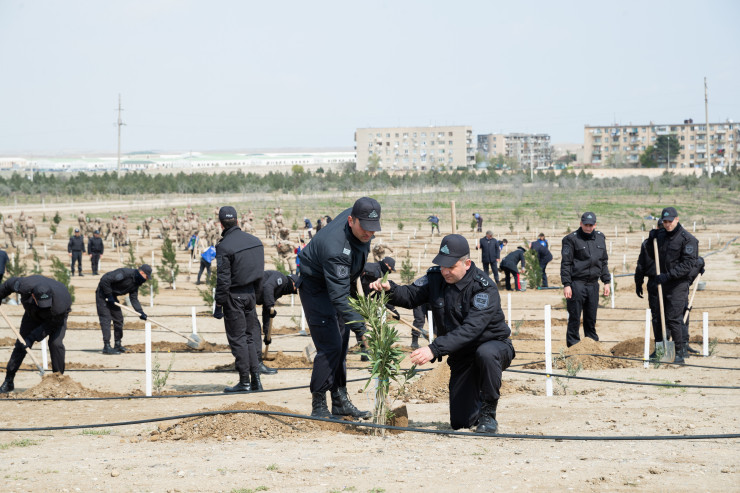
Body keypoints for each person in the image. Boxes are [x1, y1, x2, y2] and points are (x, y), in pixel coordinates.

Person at [370, 234, 515, 433]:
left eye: (451, 267)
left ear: (467, 263)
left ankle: (488, 414)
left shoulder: (484, 288)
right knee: (460, 422)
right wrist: (390, 289)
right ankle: (475, 408)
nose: (445, 271)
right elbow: (411, 295)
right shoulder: (435, 277)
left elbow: (471, 330)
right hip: (461, 355)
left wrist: (434, 349)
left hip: (494, 347)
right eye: (442, 265)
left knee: (486, 353)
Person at [297, 197, 380, 419]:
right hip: (316, 287)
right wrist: (362, 330)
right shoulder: (335, 249)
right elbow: (339, 298)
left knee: (342, 341)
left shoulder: (361, 221)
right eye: (365, 229)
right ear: (351, 220)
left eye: (373, 230)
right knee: (330, 345)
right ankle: (319, 403)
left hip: (338, 283)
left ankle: (340, 400)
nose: (369, 234)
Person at [213, 206, 265, 393]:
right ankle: (256, 380)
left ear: (221, 224)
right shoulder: (255, 242)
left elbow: (223, 279)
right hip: (251, 294)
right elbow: (260, 274)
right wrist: (256, 295)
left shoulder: (224, 246)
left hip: (234, 296)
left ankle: (244, 381)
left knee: (238, 339)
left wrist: (219, 303)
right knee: (251, 337)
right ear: (237, 221)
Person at [644, 207, 700, 363]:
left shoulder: (688, 239)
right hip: (660, 283)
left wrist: (668, 276)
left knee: (674, 318)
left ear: (677, 219)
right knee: (658, 318)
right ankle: (660, 350)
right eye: (665, 222)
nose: (667, 224)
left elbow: (688, 265)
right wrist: (650, 240)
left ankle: (680, 352)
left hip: (677, 284)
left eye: (670, 221)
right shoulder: (660, 236)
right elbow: (650, 253)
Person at [0, 275, 72, 393]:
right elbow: (8, 285)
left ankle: (58, 380)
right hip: (32, 314)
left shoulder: (61, 303)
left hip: (55, 317)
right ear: (33, 295)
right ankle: (9, 381)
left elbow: (50, 324)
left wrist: (32, 338)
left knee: (56, 343)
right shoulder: (23, 285)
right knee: (21, 344)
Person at [560, 212, 611, 347]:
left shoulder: (600, 238)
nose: (588, 228)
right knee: (575, 317)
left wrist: (606, 282)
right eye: (586, 225)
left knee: (591, 317)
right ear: (581, 223)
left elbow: (603, 262)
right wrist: (567, 284)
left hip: (593, 284)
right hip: (577, 283)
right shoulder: (571, 239)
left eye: (591, 225)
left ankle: (592, 345)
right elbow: (566, 263)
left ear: (595, 224)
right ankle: (573, 346)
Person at [96, 264, 152, 354]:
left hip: (112, 296)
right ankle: (106, 346)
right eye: (147, 277)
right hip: (103, 295)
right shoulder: (124, 273)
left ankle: (117, 344)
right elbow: (105, 280)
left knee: (119, 319)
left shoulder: (136, 283)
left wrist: (140, 312)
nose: (147, 279)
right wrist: (109, 294)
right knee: (106, 319)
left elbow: (134, 299)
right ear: (142, 273)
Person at [255, 270, 299, 374]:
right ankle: (253, 363)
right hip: (246, 295)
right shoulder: (282, 278)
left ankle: (254, 362)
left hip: (250, 298)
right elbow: (267, 287)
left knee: (255, 330)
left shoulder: (279, 291)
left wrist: (267, 334)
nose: (294, 290)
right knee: (254, 330)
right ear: (293, 282)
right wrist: (271, 305)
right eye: (295, 288)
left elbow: (267, 310)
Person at [360, 256, 400, 355]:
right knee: (360, 325)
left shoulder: (380, 273)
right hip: (356, 297)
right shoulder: (374, 269)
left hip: (364, 297)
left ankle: (366, 349)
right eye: (390, 269)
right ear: (387, 265)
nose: (390, 271)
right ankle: (366, 349)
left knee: (365, 325)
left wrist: (393, 310)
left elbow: (380, 294)